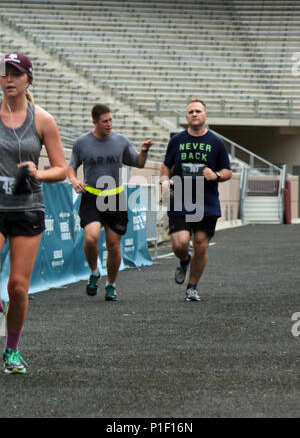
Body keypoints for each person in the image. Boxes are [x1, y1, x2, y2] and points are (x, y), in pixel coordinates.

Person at [0, 52, 67, 374]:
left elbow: (62, 169)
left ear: (28, 78)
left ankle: (12, 351)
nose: (9, 79)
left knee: (17, 287)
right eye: (4, 73)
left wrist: (37, 174)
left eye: (15, 73)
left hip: (27, 208)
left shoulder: (42, 119)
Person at [67, 103, 153, 301]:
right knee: (90, 237)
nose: (109, 124)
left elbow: (138, 163)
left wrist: (144, 151)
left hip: (115, 196)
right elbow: (71, 167)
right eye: (105, 121)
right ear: (95, 122)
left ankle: (111, 285)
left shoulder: (121, 141)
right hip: (91, 196)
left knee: (113, 246)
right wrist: (73, 179)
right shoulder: (82, 143)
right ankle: (95, 272)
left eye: (111, 120)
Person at [160, 99, 232, 302]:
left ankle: (192, 287)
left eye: (198, 111)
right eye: (190, 111)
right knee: (180, 243)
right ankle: (184, 260)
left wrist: (216, 175)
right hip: (181, 199)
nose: (194, 114)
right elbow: (166, 165)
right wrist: (164, 181)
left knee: (201, 245)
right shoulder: (176, 140)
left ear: (205, 115)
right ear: (186, 117)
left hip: (206, 201)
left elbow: (228, 172)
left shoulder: (216, 142)